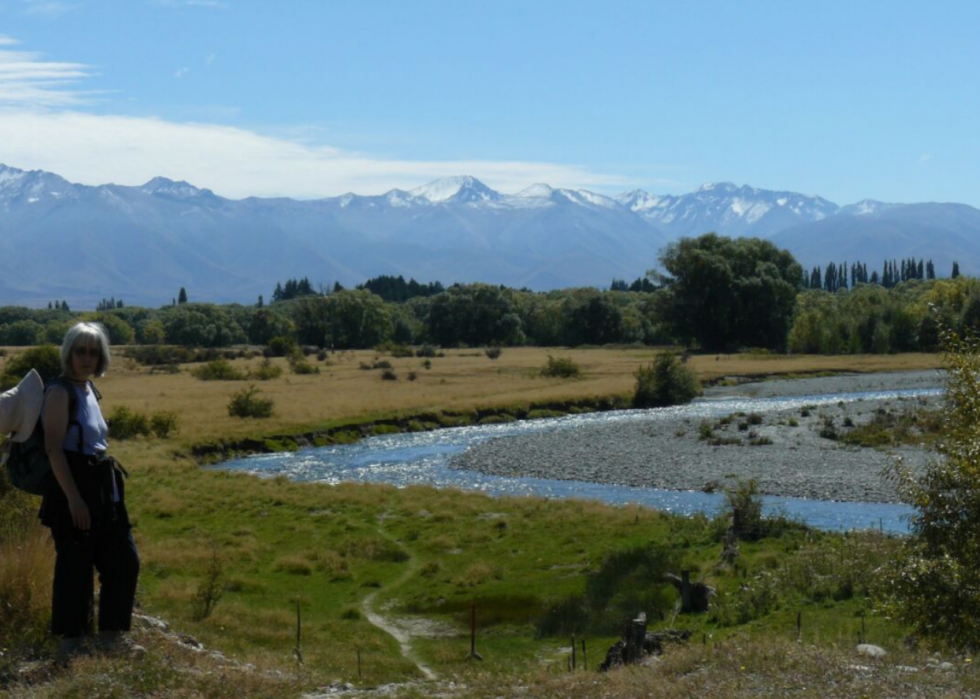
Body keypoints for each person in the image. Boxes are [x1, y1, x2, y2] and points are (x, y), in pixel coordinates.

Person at [38, 322, 141, 662]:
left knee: (123, 560)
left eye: (94, 352)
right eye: (80, 350)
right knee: (75, 567)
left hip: (102, 486)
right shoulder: (59, 392)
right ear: (68, 352)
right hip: (74, 486)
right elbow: (54, 449)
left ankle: (112, 638)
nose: (87, 358)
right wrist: (74, 499)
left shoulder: (89, 389)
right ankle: (71, 644)